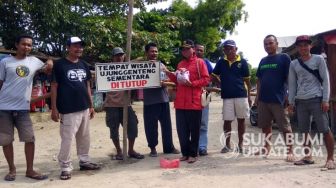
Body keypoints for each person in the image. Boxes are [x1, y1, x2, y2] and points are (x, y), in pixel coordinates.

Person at [0, 34, 52, 181]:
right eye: (24, 44)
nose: (27, 47)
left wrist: (49, 61)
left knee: (30, 139)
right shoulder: (5, 62)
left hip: (22, 108)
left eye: (29, 45)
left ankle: (30, 170)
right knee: (6, 140)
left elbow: (47, 69)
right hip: (3, 107)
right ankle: (12, 169)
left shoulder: (34, 61)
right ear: (17, 45)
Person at [51, 36, 100, 180]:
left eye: (80, 46)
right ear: (68, 47)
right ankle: (65, 167)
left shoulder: (84, 64)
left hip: (84, 106)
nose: (79, 49)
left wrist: (91, 106)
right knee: (67, 139)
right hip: (67, 108)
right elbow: (54, 86)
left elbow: (87, 86)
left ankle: (84, 161)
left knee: (84, 137)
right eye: (75, 46)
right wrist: (54, 108)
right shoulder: (59, 65)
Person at [288, 35, 335, 169]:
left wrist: (325, 100)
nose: (303, 47)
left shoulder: (318, 59)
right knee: (304, 131)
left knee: (325, 129)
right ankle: (308, 157)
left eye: (305, 45)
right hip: (301, 101)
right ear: (297, 48)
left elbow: (326, 80)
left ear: (310, 46)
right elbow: (292, 85)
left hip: (316, 98)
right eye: (300, 45)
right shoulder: (294, 64)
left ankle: (330, 158)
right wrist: (291, 102)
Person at [163, 39, 210, 163]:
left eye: (187, 48)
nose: (185, 51)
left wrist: (192, 84)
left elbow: (206, 80)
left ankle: (193, 154)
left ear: (193, 49)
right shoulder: (180, 64)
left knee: (194, 131)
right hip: (180, 103)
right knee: (182, 131)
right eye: (183, 49)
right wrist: (169, 73)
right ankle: (185, 153)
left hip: (194, 103)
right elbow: (177, 81)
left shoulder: (200, 63)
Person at [254, 35, 294, 161]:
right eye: (265, 44)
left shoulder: (284, 57)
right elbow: (259, 80)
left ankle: (290, 151)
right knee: (265, 126)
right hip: (264, 100)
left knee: (285, 127)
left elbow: (290, 77)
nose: (268, 46)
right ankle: (267, 148)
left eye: (270, 43)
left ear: (276, 44)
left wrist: (289, 95)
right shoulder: (263, 60)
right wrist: (257, 98)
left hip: (279, 99)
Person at [103, 47, 144, 160]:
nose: (119, 57)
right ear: (113, 57)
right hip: (112, 105)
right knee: (113, 129)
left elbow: (139, 62)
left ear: (124, 56)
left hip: (126, 104)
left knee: (133, 126)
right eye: (117, 55)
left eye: (121, 55)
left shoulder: (128, 67)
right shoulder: (107, 69)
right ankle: (119, 151)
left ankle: (130, 150)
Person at [211, 39, 251, 153]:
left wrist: (248, 97)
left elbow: (247, 81)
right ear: (224, 50)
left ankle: (241, 144)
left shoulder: (242, 62)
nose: (228, 50)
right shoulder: (220, 62)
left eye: (230, 48)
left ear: (236, 49)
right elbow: (213, 76)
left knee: (241, 120)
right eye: (226, 48)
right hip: (227, 96)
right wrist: (220, 83)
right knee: (227, 121)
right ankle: (227, 145)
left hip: (241, 95)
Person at [142, 42, 180, 157]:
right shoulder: (141, 66)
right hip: (149, 101)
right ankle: (152, 148)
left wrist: (164, 83)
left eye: (156, 51)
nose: (154, 53)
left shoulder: (162, 66)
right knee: (150, 126)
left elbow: (169, 80)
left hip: (163, 100)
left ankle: (169, 147)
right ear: (146, 53)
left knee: (167, 126)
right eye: (152, 51)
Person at [195, 44, 213, 156]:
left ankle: (202, 147)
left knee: (203, 123)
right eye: (197, 50)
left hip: (205, 95)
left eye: (201, 50)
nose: (199, 52)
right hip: (192, 95)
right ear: (193, 50)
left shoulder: (206, 62)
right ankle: (194, 147)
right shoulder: (189, 62)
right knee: (193, 123)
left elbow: (212, 76)